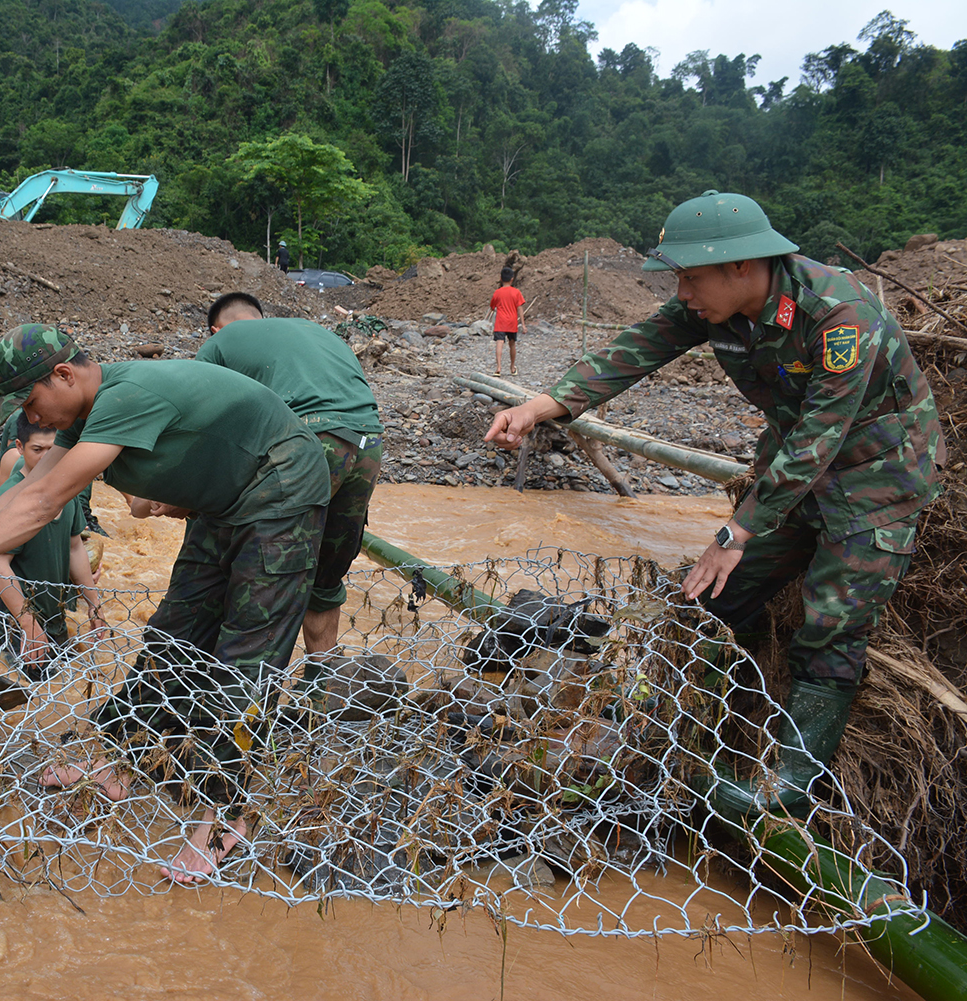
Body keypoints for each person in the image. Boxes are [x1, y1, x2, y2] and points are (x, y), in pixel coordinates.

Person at [484, 190, 944, 820]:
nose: (682, 292)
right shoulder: (713, 306)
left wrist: (734, 533)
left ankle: (791, 781)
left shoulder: (840, 316)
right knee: (715, 597)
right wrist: (537, 408)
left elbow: (821, 436)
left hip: (877, 474)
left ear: (740, 266)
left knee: (832, 620)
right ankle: (710, 721)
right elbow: (632, 351)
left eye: (690, 277)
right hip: (792, 463)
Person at [0, 324, 331, 882]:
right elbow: (22, 495)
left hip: (283, 488)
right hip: (226, 502)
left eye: (31, 404)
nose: (32, 418)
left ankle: (226, 817)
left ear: (64, 375)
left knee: (245, 656)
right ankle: (120, 759)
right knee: (173, 632)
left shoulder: (125, 397)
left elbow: (45, 502)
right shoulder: (82, 419)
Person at [198, 292, 384, 660]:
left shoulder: (221, 342)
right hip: (368, 442)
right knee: (325, 579)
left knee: (262, 570)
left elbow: (204, 420)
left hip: (309, 442)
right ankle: (323, 682)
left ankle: (247, 688)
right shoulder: (317, 332)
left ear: (216, 329)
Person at [0, 413, 107, 680]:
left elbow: (75, 548)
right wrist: (28, 625)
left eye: (52, 450)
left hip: (54, 613)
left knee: (76, 676)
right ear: (20, 447)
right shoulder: (10, 498)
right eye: (37, 450)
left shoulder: (66, 491)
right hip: (14, 620)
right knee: (38, 685)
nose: (45, 458)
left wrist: (94, 604)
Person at [489, 266, 525, 376]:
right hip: (512, 322)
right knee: (512, 344)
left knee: (499, 343)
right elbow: (520, 308)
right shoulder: (516, 292)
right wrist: (523, 324)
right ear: (512, 279)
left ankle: (498, 367)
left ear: (500, 278)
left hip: (500, 322)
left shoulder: (497, 292)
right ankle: (512, 367)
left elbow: (492, 307)